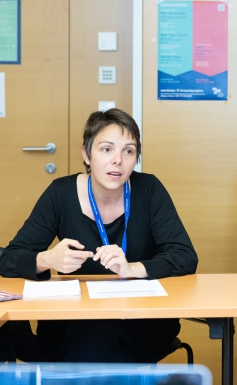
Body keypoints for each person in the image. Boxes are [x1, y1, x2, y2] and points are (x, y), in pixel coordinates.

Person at [0, 108, 198, 363]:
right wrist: (46, 259)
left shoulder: (148, 189)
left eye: (128, 151)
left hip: (140, 317)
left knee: (97, 341)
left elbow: (184, 256)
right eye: (106, 149)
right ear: (86, 154)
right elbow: (8, 258)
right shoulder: (61, 193)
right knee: (94, 337)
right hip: (74, 318)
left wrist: (132, 268)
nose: (118, 160)